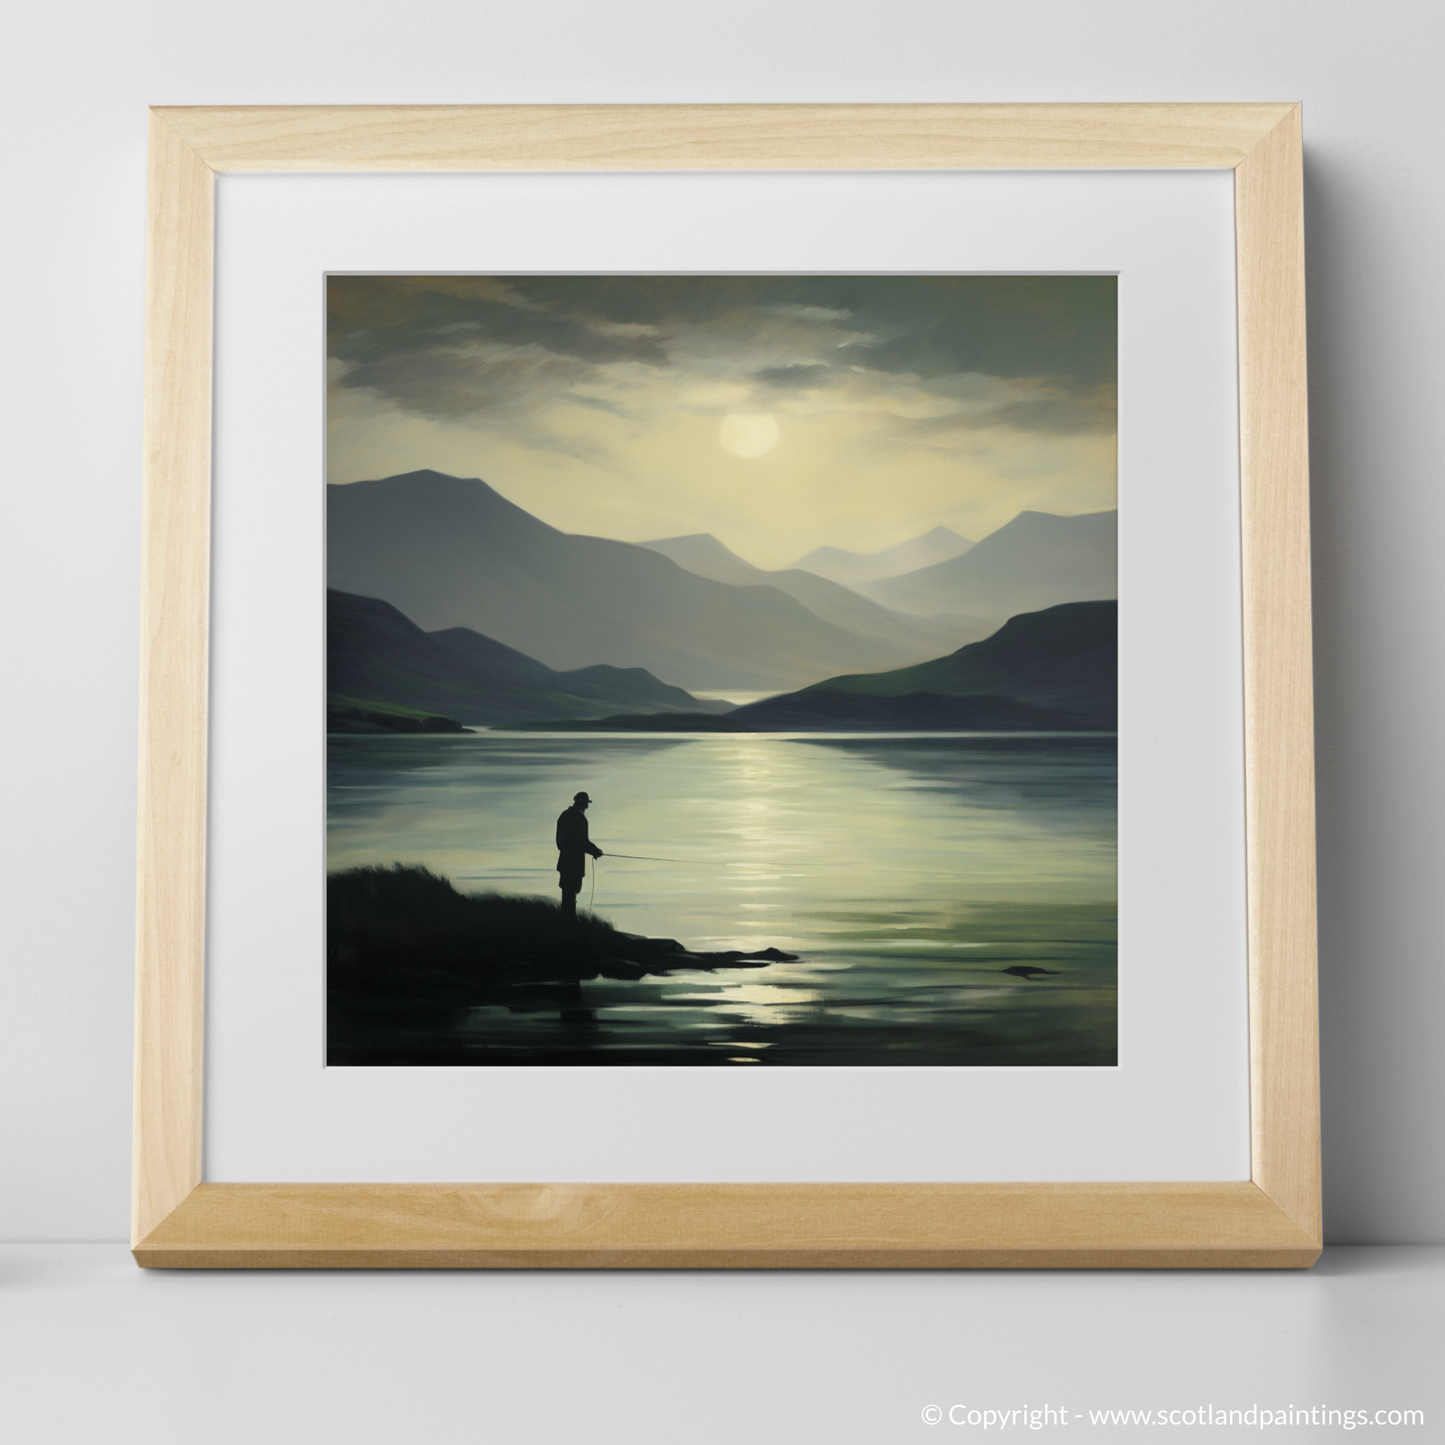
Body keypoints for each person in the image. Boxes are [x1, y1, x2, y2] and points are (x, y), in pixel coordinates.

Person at [555, 791, 603, 921]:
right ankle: (570, 921)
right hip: (574, 863)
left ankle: (566, 920)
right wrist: (596, 851)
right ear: (585, 805)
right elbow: (582, 843)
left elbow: (559, 843)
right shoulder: (581, 819)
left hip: (564, 862)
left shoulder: (564, 816)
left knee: (566, 893)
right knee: (573, 892)